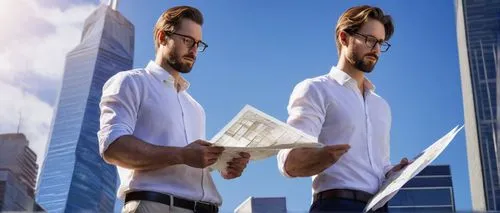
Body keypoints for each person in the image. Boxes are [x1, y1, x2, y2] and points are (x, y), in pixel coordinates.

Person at [97, 6, 250, 213]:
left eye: (198, 44)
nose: (194, 50)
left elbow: (188, 163)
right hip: (156, 206)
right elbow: (113, 147)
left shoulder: (195, 108)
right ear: (162, 37)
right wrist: (182, 155)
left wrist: (224, 164)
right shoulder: (130, 82)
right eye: (187, 40)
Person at [277, 5, 409, 212]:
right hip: (335, 204)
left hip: (379, 206)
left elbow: (379, 166)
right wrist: (322, 158)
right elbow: (288, 162)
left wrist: (394, 172)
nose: (376, 49)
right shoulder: (315, 89)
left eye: (381, 43)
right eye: (369, 40)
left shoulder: (381, 106)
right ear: (344, 38)